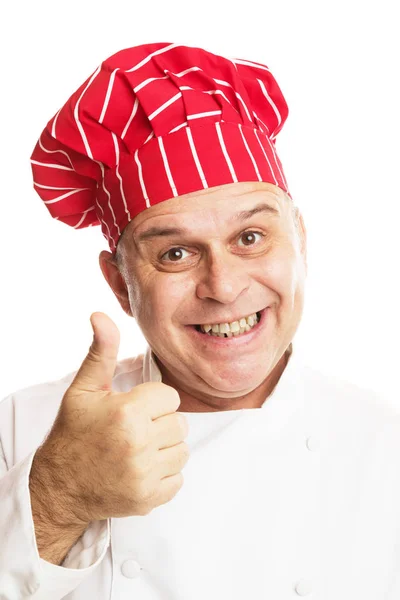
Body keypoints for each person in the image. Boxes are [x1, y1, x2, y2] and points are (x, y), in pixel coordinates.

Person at [0, 41, 399, 600]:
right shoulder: (21, 430)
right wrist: (60, 496)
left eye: (251, 238)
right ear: (121, 284)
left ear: (301, 242)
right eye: (176, 254)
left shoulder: (386, 444)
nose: (225, 287)